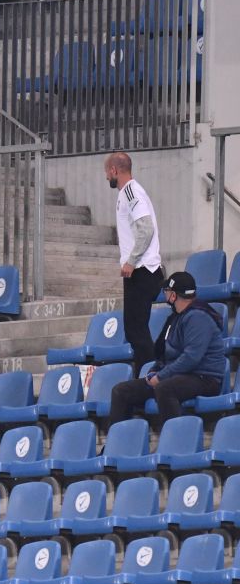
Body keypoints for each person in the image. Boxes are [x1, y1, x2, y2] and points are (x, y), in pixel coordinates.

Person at [108, 271, 226, 426]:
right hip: (179, 375)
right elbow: (165, 354)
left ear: (174, 295)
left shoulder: (198, 317)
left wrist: (162, 376)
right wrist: (155, 370)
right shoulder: (176, 317)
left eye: (167, 291)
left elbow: (191, 358)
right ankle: (115, 445)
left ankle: (174, 443)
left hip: (204, 378)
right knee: (121, 391)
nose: (164, 294)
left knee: (165, 388)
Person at [106, 151, 164, 374]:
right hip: (138, 271)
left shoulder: (130, 191)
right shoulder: (126, 193)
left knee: (136, 331)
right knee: (134, 331)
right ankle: (146, 375)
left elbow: (146, 228)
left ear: (114, 170)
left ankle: (149, 376)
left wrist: (131, 261)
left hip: (142, 271)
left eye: (106, 172)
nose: (106, 178)